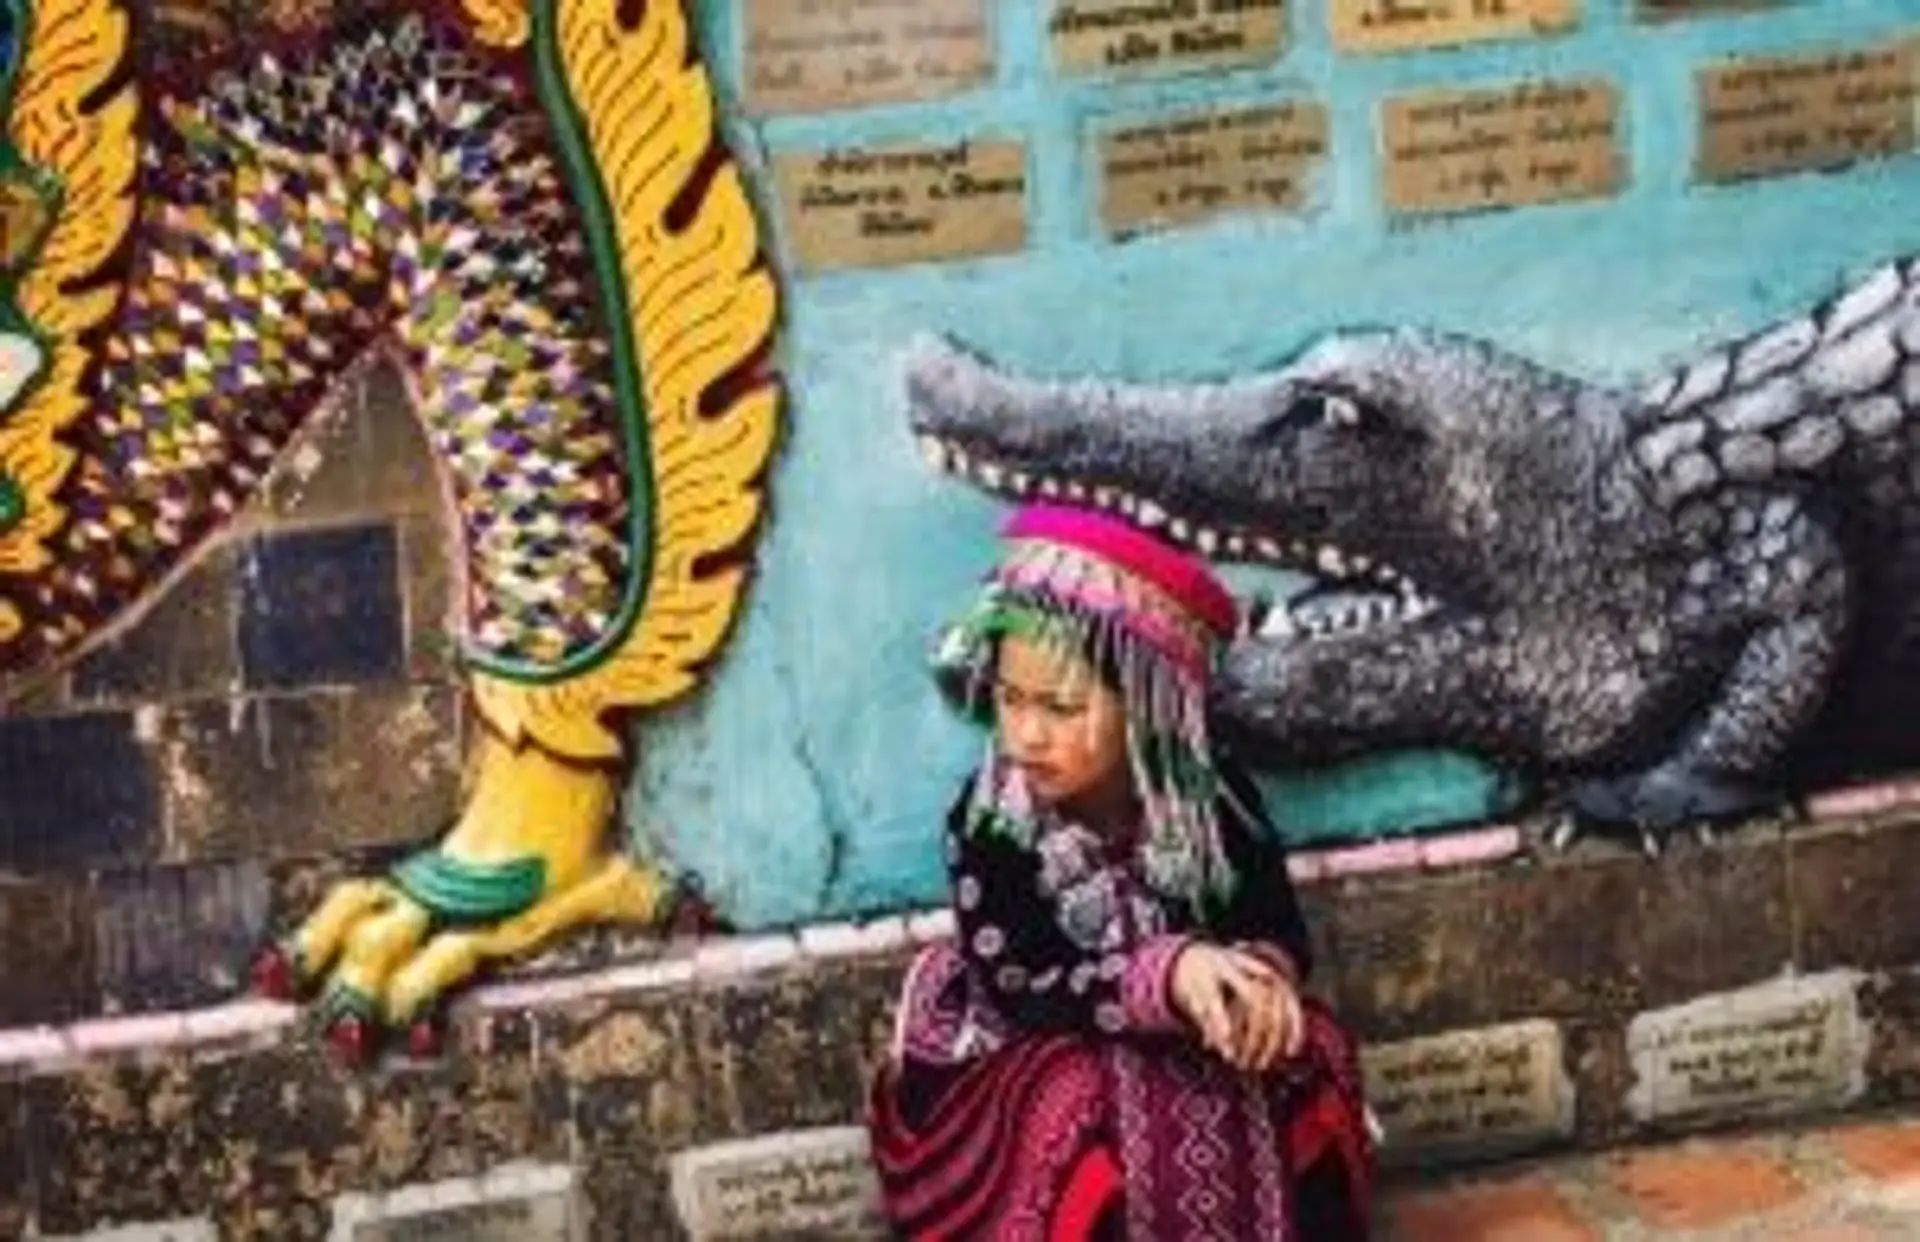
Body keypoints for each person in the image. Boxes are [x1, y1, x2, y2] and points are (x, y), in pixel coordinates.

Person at [867, 503, 1376, 1241]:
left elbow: (1273, 924)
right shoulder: (991, 824)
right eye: (1009, 698)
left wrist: (1256, 984)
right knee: (1068, 1098)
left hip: (1198, 1032)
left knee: (1314, 1048)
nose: (1027, 734)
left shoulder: (1214, 804)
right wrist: (1164, 976)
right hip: (1046, 1032)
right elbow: (1018, 983)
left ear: (1145, 706)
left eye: (1062, 707)